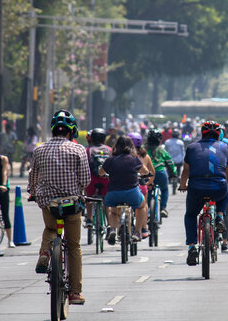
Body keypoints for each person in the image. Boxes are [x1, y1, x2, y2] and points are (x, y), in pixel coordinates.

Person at [28, 110, 90, 305]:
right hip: (72, 204)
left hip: (48, 204)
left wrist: (33, 192)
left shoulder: (39, 150)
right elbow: (85, 179)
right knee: (73, 246)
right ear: (71, 131)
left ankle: (45, 254)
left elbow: (33, 178)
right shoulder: (78, 149)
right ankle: (75, 293)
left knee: (50, 228)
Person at [179, 121, 228, 265]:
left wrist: (182, 185)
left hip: (196, 187)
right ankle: (219, 216)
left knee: (191, 214)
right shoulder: (225, 147)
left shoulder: (191, 147)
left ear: (202, 133)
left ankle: (192, 246)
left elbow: (185, 170)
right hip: (219, 187)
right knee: (227, 190)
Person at [100, 136, 149, 243]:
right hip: (131, 193)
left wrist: (106, 174)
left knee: (113, 211)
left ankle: (112, 229)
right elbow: (145, 171)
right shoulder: (134, 158)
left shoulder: (110, 159)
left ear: (116, 146)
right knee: (142, 206)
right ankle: (137, 232)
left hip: (113, 194)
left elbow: (100, 172)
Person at [128, 132, 155, 239]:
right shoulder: (146, 156)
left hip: (129, 185)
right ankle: (143, 228)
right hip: (142, 185)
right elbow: (152, 172)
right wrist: (149, 183)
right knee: (144, 205)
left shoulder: (127, 155)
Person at [84, 128, 112, 231]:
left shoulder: (88, 150)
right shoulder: (109, 149)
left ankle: (89, 219)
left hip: (92, 180)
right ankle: (110, 225)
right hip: (106, 179)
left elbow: (84, 166)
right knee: (106, 201)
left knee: (89, 198)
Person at [146, 129, 176, 218]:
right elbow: (170, 162)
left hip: (148, 175)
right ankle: (163, 208)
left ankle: (147, 210)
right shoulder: (161, 150)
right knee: (164, 190)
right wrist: (173, 174)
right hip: (161, 173)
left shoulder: (143, 149)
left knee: (148, 191)